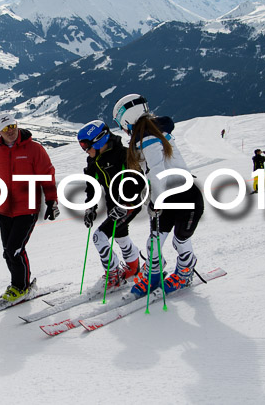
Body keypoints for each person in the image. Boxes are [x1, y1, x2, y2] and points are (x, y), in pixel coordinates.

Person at [113, 94, 205, 296]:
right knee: (153, 241)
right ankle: (154, 275)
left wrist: (155, 201)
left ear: (126, 118)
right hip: (170, 199)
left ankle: (185, 271)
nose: (121, 127)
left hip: (185, 198)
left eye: (120, 122)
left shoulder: (147, 137)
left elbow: (157, 171)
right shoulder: (149, 133)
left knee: (179, 240)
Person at [0, 113, 59, 306]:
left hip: (27, 209)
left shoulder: (34, 149)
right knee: (7, 251)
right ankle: (17, 284)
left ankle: (21, 287)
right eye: (5, 128)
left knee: (15, 250)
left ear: (17, 125)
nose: (10, 131)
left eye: (12, 126)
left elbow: (47, 175)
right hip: (4, 210)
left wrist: (52, 202)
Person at [77, 119, 144, 288]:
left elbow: (139, 181)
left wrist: (124, 204)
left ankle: (112, 275)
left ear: (99, 140)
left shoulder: (124, 154)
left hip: (129, 204)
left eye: (86, 146)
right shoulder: (94, 160)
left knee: (99, 237)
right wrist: (90, 208)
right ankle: (133, 268)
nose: (85, 151)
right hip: (113, 204)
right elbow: (91, 185)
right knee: (120, 236)